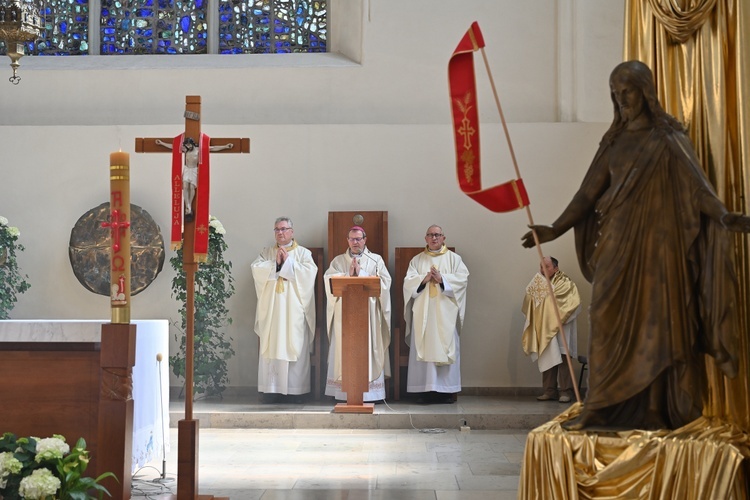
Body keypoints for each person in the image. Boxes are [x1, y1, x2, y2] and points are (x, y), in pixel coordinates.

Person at [521, 60, 750, 430]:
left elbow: (697, 190)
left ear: (645, 90)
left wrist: (724, 217)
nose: (621, 98)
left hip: (661, 248)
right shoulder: (614, 141)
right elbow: (586, 193)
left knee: (660, 324)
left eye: (626, 90)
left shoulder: (669, 139)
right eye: (615, 92)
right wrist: (556, 228)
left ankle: (658, 409)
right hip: (617, 243)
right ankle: (599, 405)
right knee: (605, 316)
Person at [251, 217, 317, 403]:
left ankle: (296, 391)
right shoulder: (266, 253)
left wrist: (288, 264)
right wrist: (276, 265)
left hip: (294, 309)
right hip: (271, 310)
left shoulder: (303, 254)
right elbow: (256, 269)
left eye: (284, 229)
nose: (280, 232)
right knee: (272, 342)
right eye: (277, 229)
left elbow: (309, 274)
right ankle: (271, 392)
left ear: (292, 231)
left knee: (294, 342)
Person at [324, 226, 391, 402]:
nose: (355, 242)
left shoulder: (376, 260)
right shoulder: (338, 261)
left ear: (365, 240)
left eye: (358, 239)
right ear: (347, 240)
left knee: (369, 348)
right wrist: (347, 274)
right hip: (343, 316)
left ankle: (371, 394)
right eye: (352, 239)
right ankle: (343, 393)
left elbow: (385, 283)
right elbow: (328, 282)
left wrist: (360, 274)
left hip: (368, 316)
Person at [403, 225, 469, 404]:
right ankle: (425, 392)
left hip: (445, 314)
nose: (434, 238)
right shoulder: (417, 260)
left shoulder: (454, 259)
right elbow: (408, 285)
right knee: (423, 348)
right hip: (423, 313)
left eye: (437, 235)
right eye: (431, 235)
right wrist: (423, 279)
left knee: (445, 346)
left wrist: (442, 280)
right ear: (425, 238)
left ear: (443, 237)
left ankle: (446, 392)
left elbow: (462, 281)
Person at [521, 256, 581, 404]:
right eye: (541, 266)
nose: (543, 269)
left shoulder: (566, 283)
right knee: (548, 356)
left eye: (546, 266)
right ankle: (549, 391)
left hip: (561, 328)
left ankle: (566, 391)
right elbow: (530, 302)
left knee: (564, 359)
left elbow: (572, 303)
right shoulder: (538, 283)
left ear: (555, 268)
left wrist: (548, 301)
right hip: (544, 328)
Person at [155, 137, 233, 219]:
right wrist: (162, 143)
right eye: (187, 145)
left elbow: (213, 148)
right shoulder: (186, 150)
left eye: (189, 144)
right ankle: (187, 205)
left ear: (192, 143)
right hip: (187, 169)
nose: (188, 146)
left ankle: (190, 204)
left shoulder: (199, 150)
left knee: (192, 187)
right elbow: (173, 147)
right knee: (185, 186)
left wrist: (225, 146)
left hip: (194, 170)